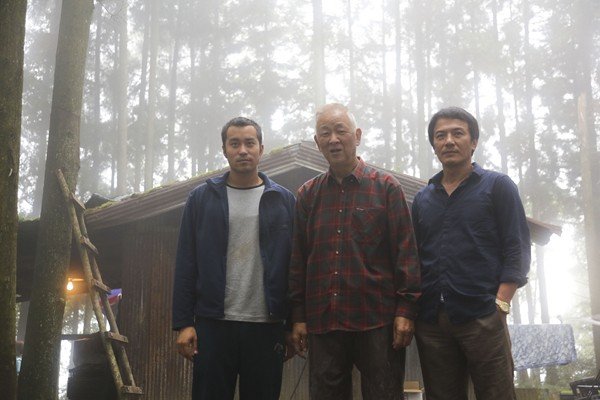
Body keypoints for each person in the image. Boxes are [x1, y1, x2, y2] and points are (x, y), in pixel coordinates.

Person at [288, 103, 421, 400]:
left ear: (357, 136)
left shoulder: (386, 188)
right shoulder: (308, 194)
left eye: (341, 131)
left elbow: (406, 253)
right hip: (324, 320)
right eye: (325, 133)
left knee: (384, 395)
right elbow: (298, 259)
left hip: (377, 319)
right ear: (317, 142)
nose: (333, 139)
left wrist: (406, 310)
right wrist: (298, 316)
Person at [172, 117, 296, 400]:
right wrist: (184, 323)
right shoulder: (202, 199)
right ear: (224, 150)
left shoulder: (283, 200)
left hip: (267, 326)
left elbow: (294, 266)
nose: (243, 150)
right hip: (213, 324)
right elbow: (186, 263)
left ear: (261, 149)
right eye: (235, 143)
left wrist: (293, 323)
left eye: (249, 143)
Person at [411, 106, 531, 400]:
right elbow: (414, 256)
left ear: (473, 141)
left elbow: (516, 246)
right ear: (434, 145)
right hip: (432, 322)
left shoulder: (497, 186)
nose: (449, 141)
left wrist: (501, 303)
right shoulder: (423, 198)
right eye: (440, 136)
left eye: (458, 133)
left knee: (496, 394)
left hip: (483, 316)